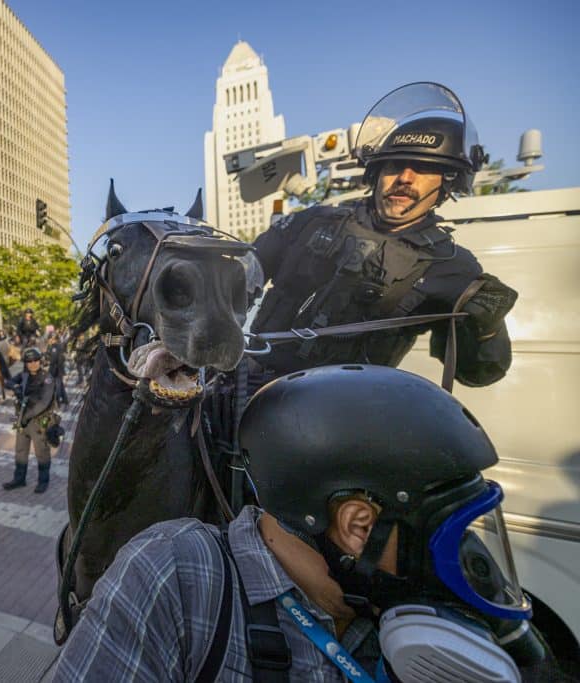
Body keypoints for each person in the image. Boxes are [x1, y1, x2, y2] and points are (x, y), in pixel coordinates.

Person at [56, 365, 552, 682]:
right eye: (441, 529)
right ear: (357, 527)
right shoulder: (174, 574)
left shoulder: (396, 616)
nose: (463, 554)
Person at [248, 83, 516, 390]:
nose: (405, 178)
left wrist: (486, 329)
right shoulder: (311, 222)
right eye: (395, 165)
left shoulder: (450, 265)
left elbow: (478, 374)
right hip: (249, 386)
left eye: (424, 168)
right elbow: (241, 273)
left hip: (341, 406)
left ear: (447, 182)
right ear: (376, 174)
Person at [3, 347, 58, 494]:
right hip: (22, 420)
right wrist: (16, 387)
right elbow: (7, 382)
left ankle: (43, 482)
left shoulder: (47, 378)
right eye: (29, 361)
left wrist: (26, 417)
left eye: (35, 360)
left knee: (42, 452)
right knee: (20, 450)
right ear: (25, 363)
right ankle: (19, 479)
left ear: (40, 361)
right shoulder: (24, 375)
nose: (33, 363)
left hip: (38, 421)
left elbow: (44, 403)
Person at [45, 331, 69, 407]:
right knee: (59, 385)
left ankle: (58, 402)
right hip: (51, 369)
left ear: (54, 339)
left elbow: (59, 360)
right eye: (49, 338)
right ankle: (65, 400)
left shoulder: (59, 347)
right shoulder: (50, 346)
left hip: (58, 370)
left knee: (57, 387)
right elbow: (47, 356)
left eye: (51, 339)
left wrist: (62, 372)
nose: (49, 340)